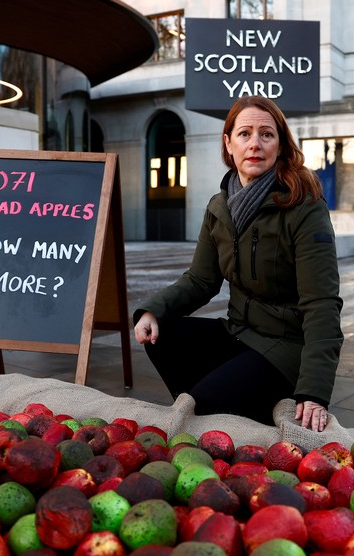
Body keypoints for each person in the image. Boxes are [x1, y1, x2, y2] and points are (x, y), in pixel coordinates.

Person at [133, 96, 343, 432]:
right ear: (228, 144)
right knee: (163, 335)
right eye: (244, 134)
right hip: (239, 334)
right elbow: (201, 280)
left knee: (200, 409)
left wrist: (315, 391)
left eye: (266, 134)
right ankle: (232, 402)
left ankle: (235, 405)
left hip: (286, 347)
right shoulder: (220, 206)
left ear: (281, 144)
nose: (255, 144)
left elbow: (322, 303)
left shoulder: (303, 205)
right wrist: (152, 311)